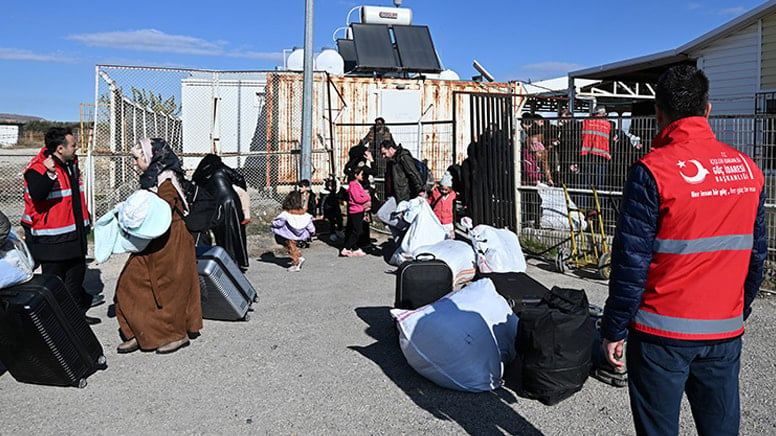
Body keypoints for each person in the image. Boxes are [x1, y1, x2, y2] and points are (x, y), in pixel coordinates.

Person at [601, 65, 766, 436]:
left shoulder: (651, 171)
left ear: (658, 113)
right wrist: (740, 307)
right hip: (723, 331)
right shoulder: (748, 170)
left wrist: (613, 328)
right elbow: (757, 255)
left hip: (660, 333)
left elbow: (631, 262)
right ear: (707, 110)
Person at [115, 138, 203, 354]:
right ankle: (139, 330)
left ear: (150, 157)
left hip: (171, 240)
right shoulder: (152, 178)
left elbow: (163, 209)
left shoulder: (166, 178)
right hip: (152, 238)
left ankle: (176, 335)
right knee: (129, 283)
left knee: (169, 290)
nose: (135, 163)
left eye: (137, 158)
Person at [22, 127, 100, 324]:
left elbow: (74, 197)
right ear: (59, 149)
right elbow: (38, 195)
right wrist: (49, 174)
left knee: (75, 279)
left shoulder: (70, 164)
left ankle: (76, 319)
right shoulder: (38, 168)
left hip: (75, 235)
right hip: (52, 240)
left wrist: (85, 220)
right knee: (53, 283)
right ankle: (51, 324)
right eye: (73, 145)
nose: (77, 148)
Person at [191, 154, 249, 270]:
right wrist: (239, 190)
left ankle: (225, 259)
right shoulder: (221, 168)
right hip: (231, 202)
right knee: (235, 231)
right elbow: (239, 179)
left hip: (215, 206)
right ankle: (239, 260)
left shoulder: (200, 175)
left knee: (220, 233)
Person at [379, 139, 425, 241]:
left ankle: (406, 227)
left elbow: (413, 174)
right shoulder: (393, 160)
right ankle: (399, 246)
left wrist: (420, 190)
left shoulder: (403, 158)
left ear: (391, 149)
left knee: (382, 214)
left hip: (403, 195)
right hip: (396, 194)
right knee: (391, 220)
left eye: (384, 153)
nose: (383, 156)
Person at [271, 191, 315, 271]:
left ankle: (296, 263)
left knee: (290, 248)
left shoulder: (285, 214)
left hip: (289, 234)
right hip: (300, 234)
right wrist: (312, 231)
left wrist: (273, 222)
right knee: (293, 247)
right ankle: (299, 257)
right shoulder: (304, 214)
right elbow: (309, 224)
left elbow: (279, 223)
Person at [579, 105, 616, 193]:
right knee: (600, 185)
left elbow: (580, 139)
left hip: (587, 155)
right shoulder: (608, 125)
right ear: (604, 114)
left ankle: (583, 204)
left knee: (585, 183)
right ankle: (599, 204)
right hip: (602, 156)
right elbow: (612, 140)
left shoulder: (586, 122)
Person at [341, 167, 371, 257]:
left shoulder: (357, 184)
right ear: (356, 175)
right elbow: (357, 199)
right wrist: (368, 198)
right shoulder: (353, 185)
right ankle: (347, 247)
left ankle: (355, 248)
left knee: (356, 229)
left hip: (359, 209)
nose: (363, 176)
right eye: (361, 174)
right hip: (356, 210)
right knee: (357, 230)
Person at [427, 172, 457, 238]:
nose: (443, 191)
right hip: (437, 219)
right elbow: (429, 200)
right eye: (442, 189)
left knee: (450, 238)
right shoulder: (435, 193)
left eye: (446, 190)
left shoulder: (452, 194)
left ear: (450, 189)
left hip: (448, 221)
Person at [319, 177, 344, 241]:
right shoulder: (325, 194)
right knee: (332, 222)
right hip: (329, 210)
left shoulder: (335, 192)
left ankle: (340, 231)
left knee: (339, 220)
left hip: (336, 209)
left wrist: (336, 178)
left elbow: (338, 186)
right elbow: (322, 204)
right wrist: (322, 213)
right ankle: (333, 233)